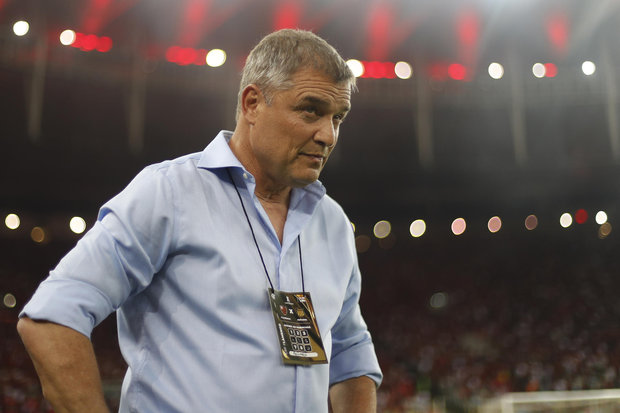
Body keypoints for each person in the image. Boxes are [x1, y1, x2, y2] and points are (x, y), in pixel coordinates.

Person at [17, 29, 382, 412]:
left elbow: (350, 352)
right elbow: (53, 315)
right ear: (253, 103)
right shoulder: (169, 193)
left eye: (338, 118)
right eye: (310, 110)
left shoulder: (333, 223)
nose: (328, 135)